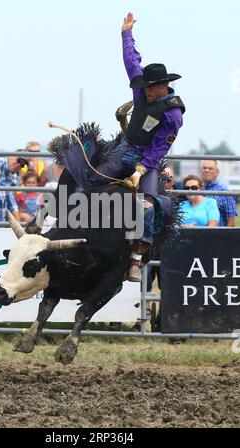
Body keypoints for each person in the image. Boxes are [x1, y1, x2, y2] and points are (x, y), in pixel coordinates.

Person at [52, 12, 186, 282]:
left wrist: (140, 170)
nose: (145, 91)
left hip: (147, 158)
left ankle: (136, 256)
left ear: (163, 87)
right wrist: (126, 33)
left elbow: (159, 149)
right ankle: (69, 224)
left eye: (150, 88)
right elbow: (131, 60)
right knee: (90, 178)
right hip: (126, 146)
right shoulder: (141, 88)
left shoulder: (173, 114)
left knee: (146, 205)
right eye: (145, 86)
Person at [201, 160, 237, 227]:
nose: (206, 170)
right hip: (196, 235)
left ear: (217, 172)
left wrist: (223, 237)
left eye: (210, 168)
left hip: (217, 235)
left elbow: (231, 223)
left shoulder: (224, 191)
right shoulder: (195, 189)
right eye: (204, 168)